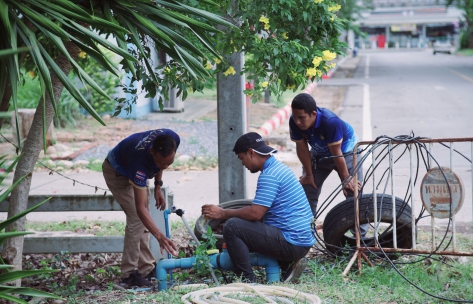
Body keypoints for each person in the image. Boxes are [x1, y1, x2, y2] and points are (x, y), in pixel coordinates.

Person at [201, 132, 315, 283]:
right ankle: (287, 267)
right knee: (250, 226)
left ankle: (246, 281)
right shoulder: (279, 168)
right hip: (301, 241)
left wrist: (222, 213)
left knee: (233, 226)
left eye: (242, 159)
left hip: (292, 242)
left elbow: (255, 213)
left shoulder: (269, 175)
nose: (243, 164)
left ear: (251, 153)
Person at [102, 129, 179, 288]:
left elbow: (161, 163)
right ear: (151, 152)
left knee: (145, 221)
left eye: (168, 163)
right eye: (160, 163)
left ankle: (146, 269)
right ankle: (128, 275)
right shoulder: (139, 161)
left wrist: (158, 186)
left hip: (140, 167)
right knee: (137, 219)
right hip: (117, 171)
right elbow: (140, 209)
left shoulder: (171, 139)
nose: (164, 167)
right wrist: (159, 236)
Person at [289, 93, 367, 235]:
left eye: (301, 118)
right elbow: (302, 148)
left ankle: (360, 240)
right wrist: (308, 175)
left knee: (352, 191)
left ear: (313, 114)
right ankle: (305, 235)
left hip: (346, 152)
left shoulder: (330, 121)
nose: (298, 122)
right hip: (320, 153)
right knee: (308, 188)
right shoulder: (294, 122)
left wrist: (346, 179)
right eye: (295, 117)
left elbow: (336, 152)